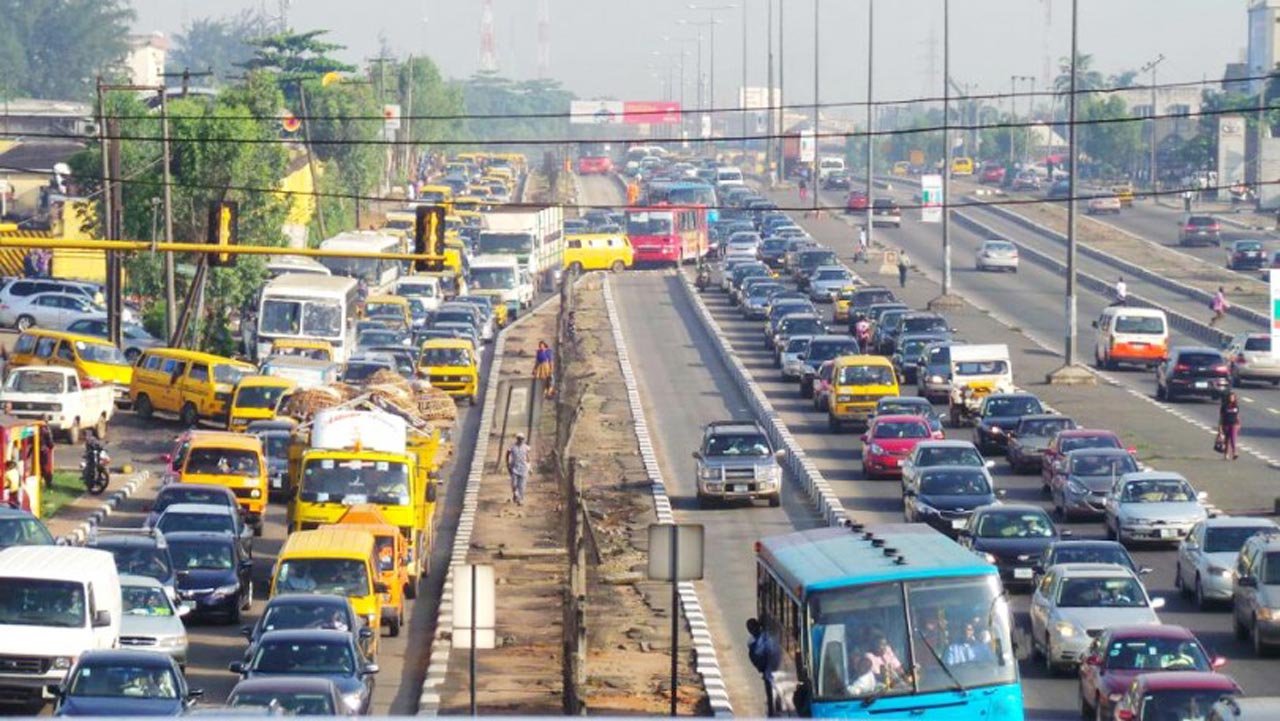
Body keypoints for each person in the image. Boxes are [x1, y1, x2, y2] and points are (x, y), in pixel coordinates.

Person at [746, 619, 781, 711]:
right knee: (770, 692)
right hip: (767, 670)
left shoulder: (765, 638)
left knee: (772, 690)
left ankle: (773, 708)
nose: (752, 631)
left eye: (752, 628)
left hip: (771, 668)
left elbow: (772, 651)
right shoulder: (753, 643)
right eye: (750, 629)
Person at [506, 432, 531, 505]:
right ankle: (515, 494)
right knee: (514, 484)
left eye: (522, 439)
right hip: (514, 467)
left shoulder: (526, 447)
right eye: (519, 438)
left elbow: (528, 457)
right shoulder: (512, 447)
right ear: (517, 439)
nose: (520, 440)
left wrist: (529, 466)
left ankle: (520, 500)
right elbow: (507, 454)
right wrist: (508, 463)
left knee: (522, 486)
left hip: (524, 468)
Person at [1219, 392, 1241, 460]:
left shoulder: (1236, 406)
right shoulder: (1224, 406)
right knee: (1227, 440)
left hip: (1234, 424)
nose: (1232, 398)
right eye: (1230, 397)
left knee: (1233, 438)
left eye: (1233, 397)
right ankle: (1226, 454)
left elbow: (1237, 416)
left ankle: (1234, 452)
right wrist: (1220, 428)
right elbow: (1221, 417)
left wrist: (1239, 424)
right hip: (1226, 424)